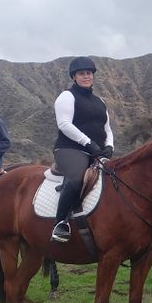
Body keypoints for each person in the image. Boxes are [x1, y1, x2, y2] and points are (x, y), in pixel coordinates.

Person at [50, 56, 115, 243]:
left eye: (89, 73)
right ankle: (60, 223)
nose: (86, 76)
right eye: (81, 74)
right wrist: (88, 143)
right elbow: (64, 124)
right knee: (76, 179)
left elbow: (107, 129)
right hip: (70, 149)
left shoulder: (100, 101)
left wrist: (109, 146)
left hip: (97, 151)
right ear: (74, 77)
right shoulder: (66, 97)